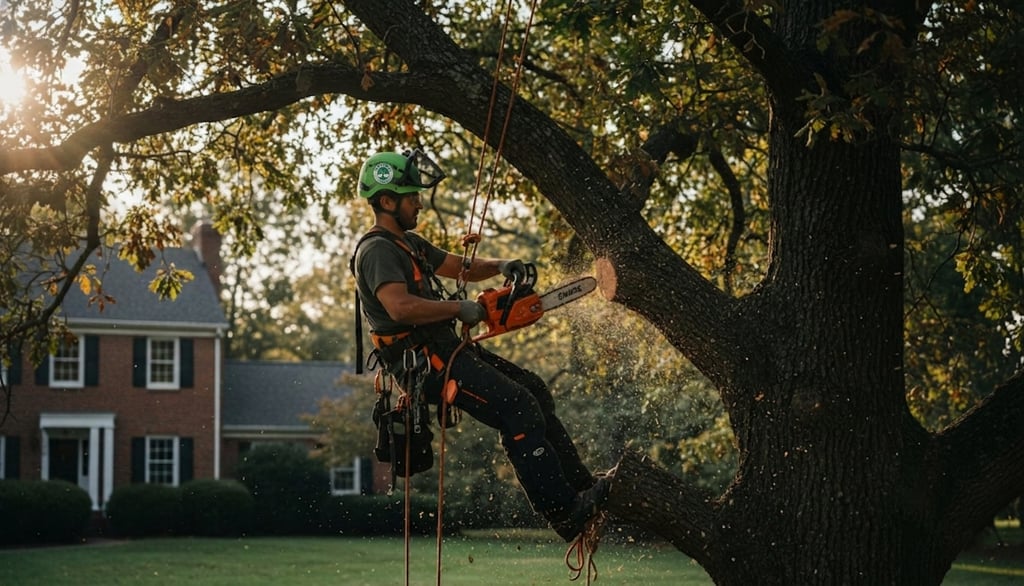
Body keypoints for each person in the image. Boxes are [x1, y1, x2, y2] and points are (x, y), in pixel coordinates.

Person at [351, 149, 610, 541]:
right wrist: (459, 308)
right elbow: (399, 307)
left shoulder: (410, 243)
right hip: (425, 362)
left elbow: (459, 267)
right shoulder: (377, 251)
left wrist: (501, 265)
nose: (419, 203)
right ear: (387, 201)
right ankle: (564, 513)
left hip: (445, 349)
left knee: (533, 390)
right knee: (517, 407)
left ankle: (582, 487)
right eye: (411, 197)